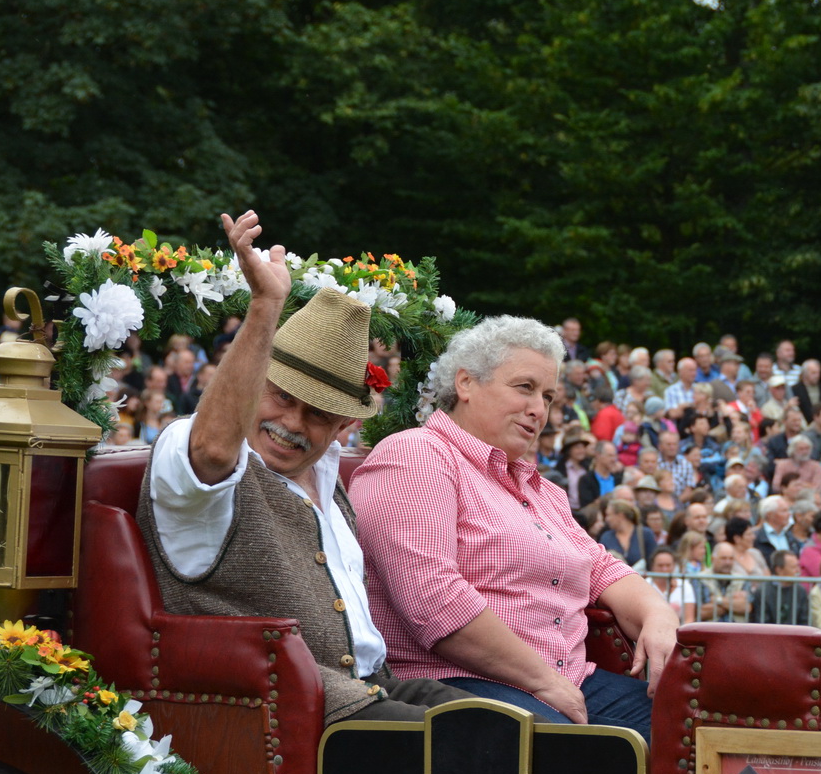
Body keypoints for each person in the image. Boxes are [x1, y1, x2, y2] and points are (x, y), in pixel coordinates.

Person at [137, 210, 473, 725]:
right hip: (275, 708)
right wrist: (265, 305)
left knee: (505, 727)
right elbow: (210, 453)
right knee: (451, 749)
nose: (291, 422)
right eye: (279, 396)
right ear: (254, 382)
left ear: (343, 424)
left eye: (317, 413)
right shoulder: (198, 453)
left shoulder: (327, 477)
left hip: (365, 689)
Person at [349, 314, 680, 741]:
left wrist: (658, 614)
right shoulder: (416, 456)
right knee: (577, 755)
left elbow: (602, 568)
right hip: (459, 683)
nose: (538, 409)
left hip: (571, 682)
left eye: (548, 396)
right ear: (465, 383)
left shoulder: (542, 489)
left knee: (695, 725)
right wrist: (544, 681)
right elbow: (434, 600)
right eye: (524, 388)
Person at [751, 549, 811, 626]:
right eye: (793, 567)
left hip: (795, 636)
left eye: (798, 566)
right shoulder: (763, 592)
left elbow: (804, 621)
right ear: (779, 570)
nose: (798, 571)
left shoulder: (801, 591)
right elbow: (762, 623)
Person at [599, 499, 648, 568]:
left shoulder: (645, 534)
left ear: (620, 516)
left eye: (608, 515)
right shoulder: (606, 537)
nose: (606, 519)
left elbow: (652, 562)